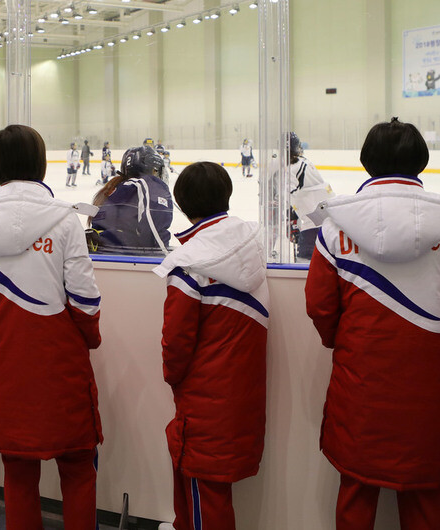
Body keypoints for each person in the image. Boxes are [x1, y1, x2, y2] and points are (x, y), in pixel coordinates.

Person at [305, 118, 440, 529]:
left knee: (355, 492)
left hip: (359, 381)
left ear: (367, 162)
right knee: (425, 497)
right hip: (429, 384)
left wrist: (351, 342)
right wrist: (434, 344)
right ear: (420, 161)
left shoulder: (336, 226)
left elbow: (319, 305)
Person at [0, 124, 103, 530]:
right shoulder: (64, 221)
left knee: (17, 472)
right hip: (60, 363)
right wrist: (87, 339)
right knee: (77, 466)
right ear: (40, 163)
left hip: (4, 362)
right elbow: (86, 299)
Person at [152, 162, 269, 530]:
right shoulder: (249, 245)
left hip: (203, 396)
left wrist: (172, 377)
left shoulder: (189, 262)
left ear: (183, 204)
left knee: (205, 489)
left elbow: (176, 342)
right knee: (199, 480)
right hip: (240, 391)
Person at [88, 146, 173, 255]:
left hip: (107, 261)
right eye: (156, 170)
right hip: (131, 265)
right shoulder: (147, 184)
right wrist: (166, 261)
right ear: (151, 169)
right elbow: (155, 235)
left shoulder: (119, 188)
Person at [286, 133, 333, 261]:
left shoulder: (293, 167)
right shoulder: (304, 162)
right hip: (326, 216)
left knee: (305, 259)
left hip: (314, 222)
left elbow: (288, 193)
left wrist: (290, 217)